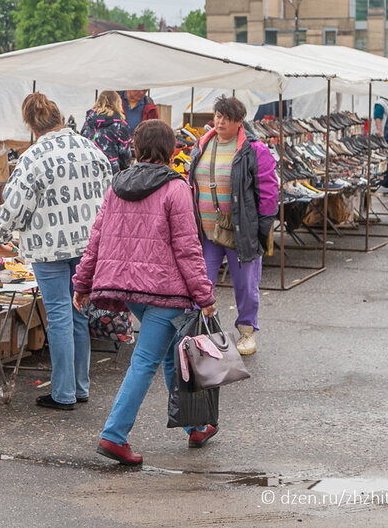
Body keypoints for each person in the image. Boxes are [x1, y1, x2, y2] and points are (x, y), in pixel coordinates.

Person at [72, 120, 218, 466]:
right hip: (166, 292)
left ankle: (197, 425)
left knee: (169, 356)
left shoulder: (117, 185)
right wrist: (205, 294)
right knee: (145, 361)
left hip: (129, 290)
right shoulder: (175, 188)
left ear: (136, 149)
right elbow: (187, 248)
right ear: (170, 150)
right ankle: (114, 435)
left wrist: (82, 283)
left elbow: (96, 239)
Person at [0, 93, 112, 411]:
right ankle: (80, 387)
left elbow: (16, 204)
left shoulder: (34, 156)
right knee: (78, 314)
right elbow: (109, 192)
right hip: (88, 245)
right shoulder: (90, 147)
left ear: (31, 125)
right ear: (59, 117)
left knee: (58, 317)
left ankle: (64, 393)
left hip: (49, 246)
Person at [187, 96, 278, 356]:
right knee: (201, 282)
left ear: (240, 121)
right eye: (217, 115)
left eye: (226, 117)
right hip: (206, 231)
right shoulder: (202, 144)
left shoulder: (254, 150)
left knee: (245, 284)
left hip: (241, 230)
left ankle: (247, 330)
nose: (220, 121)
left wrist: (261, 228)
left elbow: (269, 191)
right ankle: (199, 332)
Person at [81, 90, 132, 174]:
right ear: (117, 103)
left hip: (89, 169)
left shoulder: (87, 123)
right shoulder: (120, 125)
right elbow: (125, 154)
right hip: (111, 171)